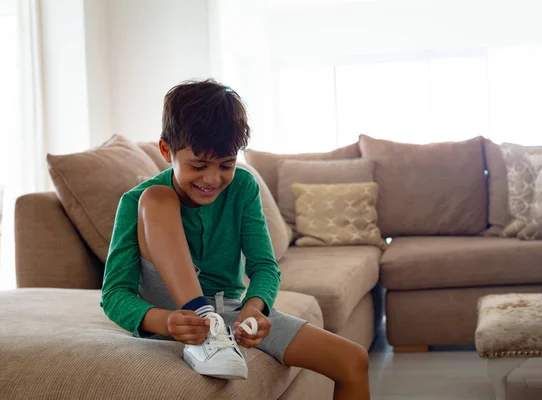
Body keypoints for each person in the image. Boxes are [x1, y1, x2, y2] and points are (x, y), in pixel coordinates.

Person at [100, 79, 370, 399]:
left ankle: (212, 326)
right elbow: (114, 294)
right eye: (198, 165)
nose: (212, 179)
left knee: (353, 360)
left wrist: (255, 308)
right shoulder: (136, 202)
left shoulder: (242, 186)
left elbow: (264, 267)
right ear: (165, 150)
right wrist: (164, 321)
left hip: (227, 317)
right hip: (169, 314)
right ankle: (201, 316)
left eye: (226, 164)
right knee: (155, 198)